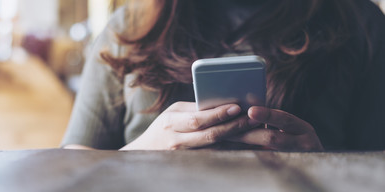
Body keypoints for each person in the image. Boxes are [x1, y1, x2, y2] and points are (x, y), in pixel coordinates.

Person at [62, 0, 385, 151]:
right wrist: (137, 156)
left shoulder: (360, 22)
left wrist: (326, 165)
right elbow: (72, 163)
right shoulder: (129, 27)